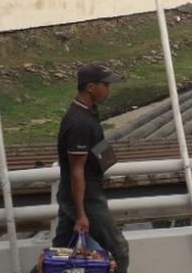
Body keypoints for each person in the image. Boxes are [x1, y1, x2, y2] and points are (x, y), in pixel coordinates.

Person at [40, 61, 129, 272]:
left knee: (59, 252)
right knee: (119, 250)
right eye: (105, 85)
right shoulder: (79, 123)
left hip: (77, 194)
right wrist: (81, 213)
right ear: (90, 87)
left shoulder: (87, 112)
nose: (109, 89)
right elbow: (76, 170)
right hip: (85, 196)